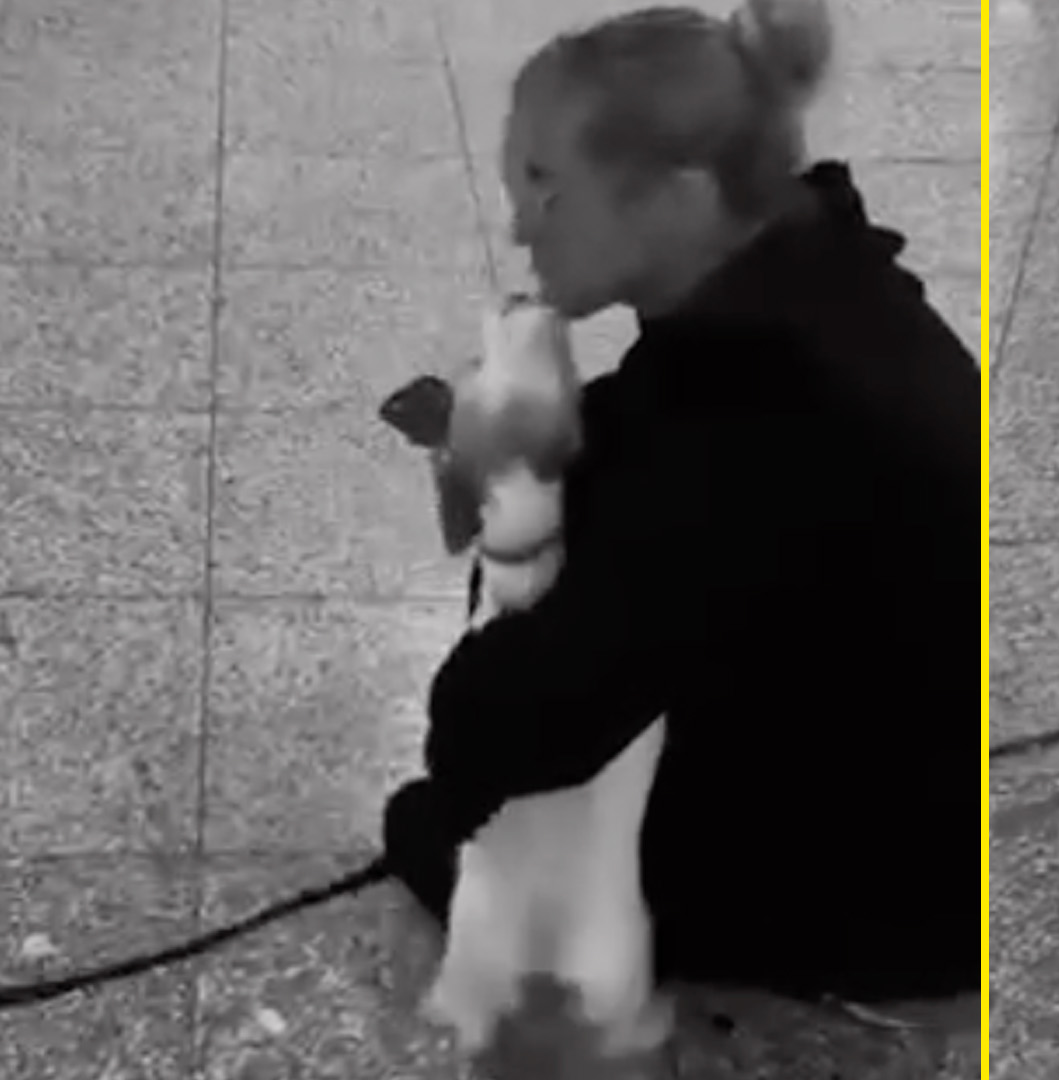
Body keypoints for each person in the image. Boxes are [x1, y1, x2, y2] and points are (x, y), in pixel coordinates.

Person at [379, 0, 978, 1030]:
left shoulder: (754, 422)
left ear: (677, 196)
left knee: (433, 828)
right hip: (910, 807)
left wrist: (521, 490)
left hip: (886, 904)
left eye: (546, 185)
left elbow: (488, 744)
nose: (523, 223)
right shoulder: (829, 295)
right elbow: (666, 466)